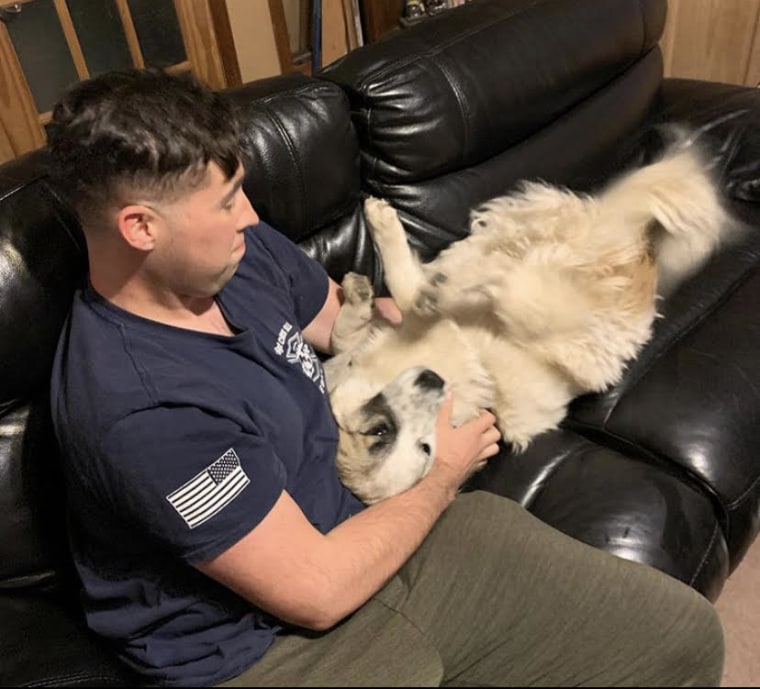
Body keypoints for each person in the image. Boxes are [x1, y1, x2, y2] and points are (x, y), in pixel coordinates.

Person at [47, 66, 725, 688]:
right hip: (266, 652)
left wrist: (445, 316)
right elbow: (315, 589)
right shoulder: (139, 407)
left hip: (378, 529)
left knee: (683, 638)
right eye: (225, 202)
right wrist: (443, 473)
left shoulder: (234, 257)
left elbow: (346, 318)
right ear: (140, 227)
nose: (249, 217)